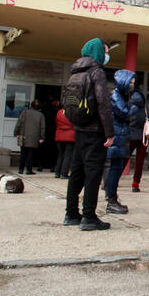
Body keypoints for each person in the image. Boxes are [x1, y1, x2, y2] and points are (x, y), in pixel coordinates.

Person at [64, 38, 115, 231]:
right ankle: (89, 216)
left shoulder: (76, 71)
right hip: (94, 131)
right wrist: (109, 132)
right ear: (97, 52)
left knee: (76, 172)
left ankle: (71, 213)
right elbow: (102, 103)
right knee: (93, 173)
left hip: (79, 129)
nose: (107, 55)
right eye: (105, 51)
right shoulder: (97, 72)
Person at [104, 70, 136, 215]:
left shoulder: (122, 96)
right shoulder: (116, 96)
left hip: (121, 136)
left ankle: (112, 198)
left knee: (117, 169)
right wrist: (135, 107)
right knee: (115, 169)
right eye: (130, 82)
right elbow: (124, 113)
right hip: (117, 136)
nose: (132, 85)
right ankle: (111, 200)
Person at [127, 84, 148, 193]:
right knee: (139, 162)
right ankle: (135, 184)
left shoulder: (129, 105)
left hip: (130, 135)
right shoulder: (144, 108)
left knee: (123, 159)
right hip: (143, 137)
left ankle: (112, 181)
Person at [15, 99, 46, 175]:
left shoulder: (24, 112)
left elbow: (18, 123)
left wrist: (16, 133)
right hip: (34, 137)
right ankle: (29, 170)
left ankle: (20, 169)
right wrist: (42, 137)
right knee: (30, 154)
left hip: (23, 135)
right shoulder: (40, 115)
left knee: (23, 153)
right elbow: (43, 127)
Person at [54, 107, 75, 178]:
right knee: (68, 156)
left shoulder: (59, 112)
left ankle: (57, 172)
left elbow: (56, 121)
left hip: (59, 135)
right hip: (70, 136)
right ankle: (64, 173)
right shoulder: (73, 112)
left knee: (61, 154)